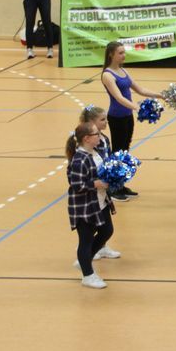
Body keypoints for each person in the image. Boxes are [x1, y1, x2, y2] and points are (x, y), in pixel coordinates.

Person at [100, 41, 164, 199]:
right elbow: (119, 97)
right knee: (117, 153)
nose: (124, 55)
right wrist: (137, 107)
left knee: (125, 152)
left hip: (127, 116)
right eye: (120, 53)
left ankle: (120, 185)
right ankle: (112, 189)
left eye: (124, 52)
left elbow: (140, 90)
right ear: (111, 55)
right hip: (116, 117)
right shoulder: (107, 75)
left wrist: (160, 95)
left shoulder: (123, 71)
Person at [65, 122, 113, 289]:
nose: (99, 136)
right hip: (85, 205)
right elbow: (76, 185)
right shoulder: (79, 160)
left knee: (107, 230)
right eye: (96, 134)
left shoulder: (96, 151)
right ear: (86, 138)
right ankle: (88, 275)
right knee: (85, 240)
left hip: (100, 201)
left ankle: (84, 261)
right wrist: (96, 184)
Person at [79, 105, 120, 260]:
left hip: (102, 188)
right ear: (91, 122)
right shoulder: (84, 141)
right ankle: (86, 254)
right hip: (90, 190)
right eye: (102, 120)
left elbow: (108, 160)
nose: (106, 122)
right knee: (91, 227)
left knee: (104, 225)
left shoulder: (104, 139)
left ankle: (100, 247)